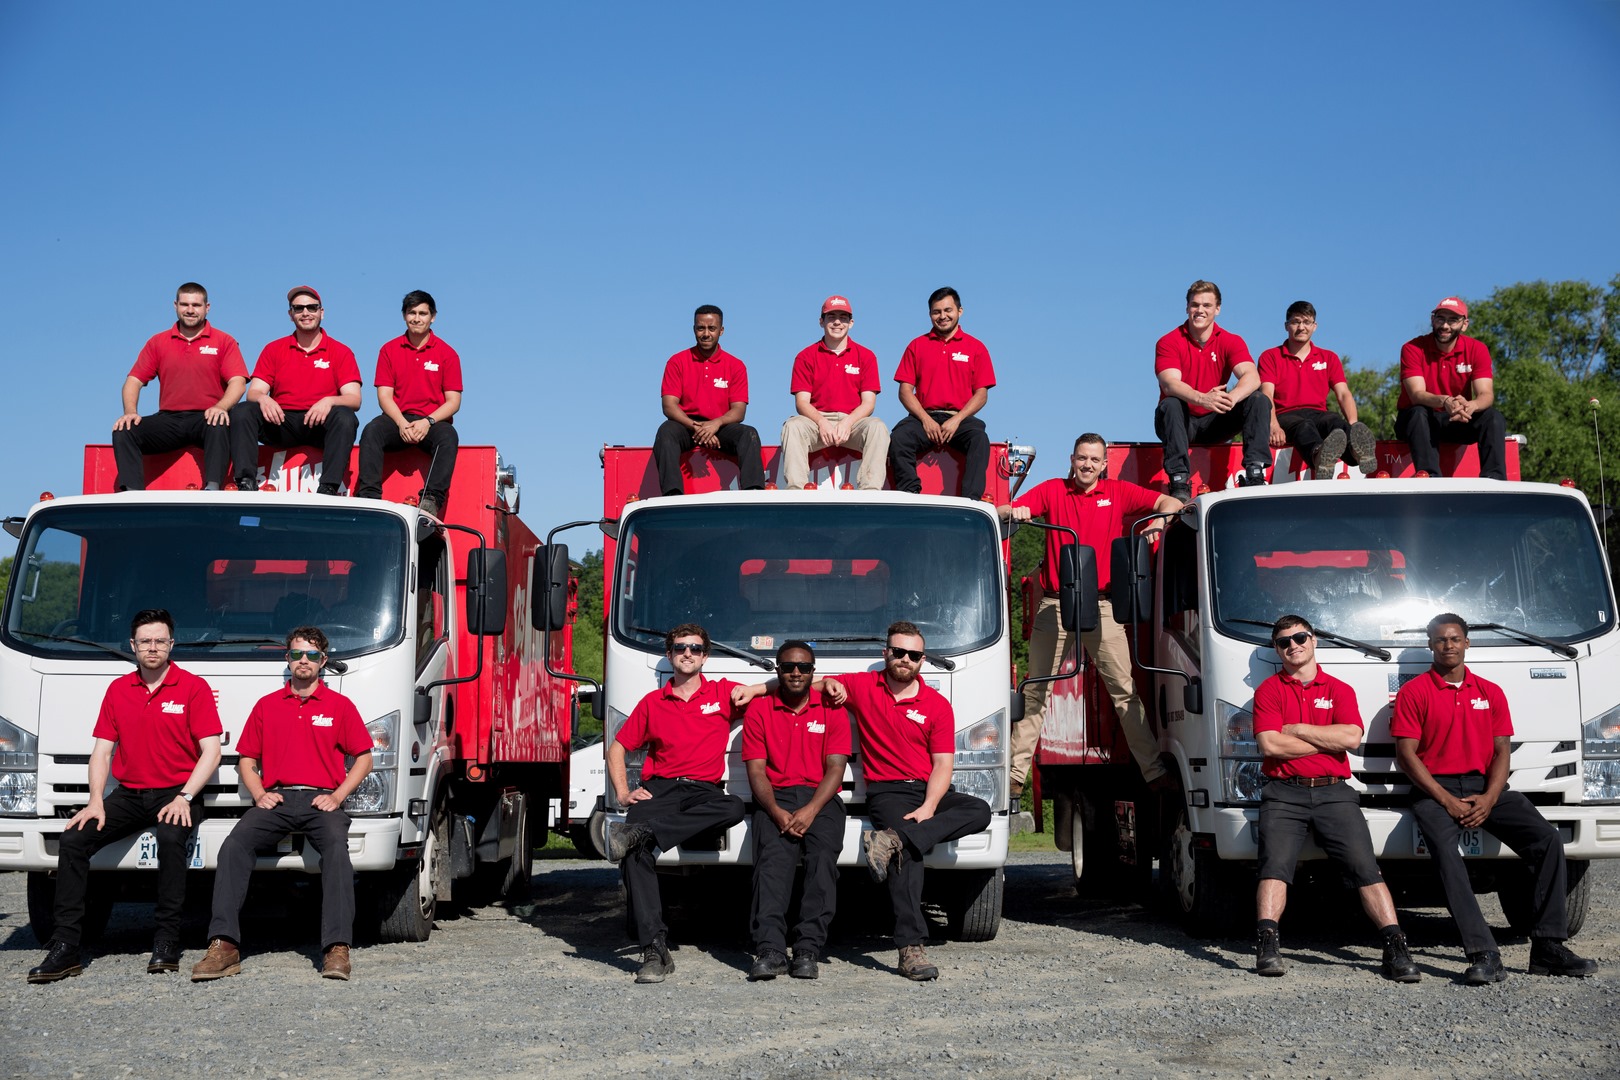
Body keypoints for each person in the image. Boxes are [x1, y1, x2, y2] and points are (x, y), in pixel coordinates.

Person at [1393, 613, 1597, 982]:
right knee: (1446, 854)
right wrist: (1445, 800)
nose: (1448, 645)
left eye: (1455, 639)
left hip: (1484, 786)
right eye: (1440, 640)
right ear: (1430, 645)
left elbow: (1502, 751)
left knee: (1549, 840)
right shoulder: (1414, 692)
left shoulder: (1490, 691)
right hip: (1433, 789)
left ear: (1467, 643)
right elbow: (1406, 755)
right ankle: (1484, 953)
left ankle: (1548, 947)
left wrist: (1489, 797)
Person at [27, 610, 223, 983]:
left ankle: (166, 942)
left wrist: (184, 797)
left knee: (169, 839)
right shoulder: (118, 690)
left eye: (160, 641)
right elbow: (102, 751)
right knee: (73, 839)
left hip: (176, 794)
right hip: (129, 794)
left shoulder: (192, 687)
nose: (153, 648)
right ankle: (66, 947)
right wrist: (96, 800)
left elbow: (211, 752)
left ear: (171, 645)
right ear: (133, 646)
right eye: (145, 641)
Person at [999, 434, 1179, 796]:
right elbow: (1005, 511)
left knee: (1125, 692)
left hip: (1104, 606)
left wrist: (1157, 523)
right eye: (1082, 458)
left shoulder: (1120, 492)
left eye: (1095, 460)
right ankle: (1015, 778)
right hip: (1056, 604)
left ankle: (1154, 774)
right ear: (1072, 458)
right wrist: (1014, 511)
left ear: (1104, 464)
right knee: (1036, 692)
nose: (1087, 466)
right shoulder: (1052, 490)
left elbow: (1171, 502)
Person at [191, 626, 373, 982]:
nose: (302, 661)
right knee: (234, 846)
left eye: (311, 655)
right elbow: (247, 759)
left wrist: (337, 795)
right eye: (295, 654)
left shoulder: (340, 706)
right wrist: (259, 793)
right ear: (286, 659)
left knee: (337, 850)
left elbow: (363, 758)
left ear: (323, 661)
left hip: (322, 799)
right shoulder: (266, 705)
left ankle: (337, 948)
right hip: (277, 798)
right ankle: (224, 946)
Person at [1250, 615, 1420, 982]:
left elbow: (1351, 739)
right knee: (1274, 866)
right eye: (1284, 642)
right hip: (1283, 793)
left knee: (1365, 868)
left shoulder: (1340, 689)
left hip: (1334, 791)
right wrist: (1324, 739)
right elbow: (1269, 744)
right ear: (1277, 650)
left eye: (1300, 637)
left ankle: (1395, 948)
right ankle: (1267, 946)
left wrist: (1296, 729)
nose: (1293, 645)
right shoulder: (1268, 691)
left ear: (1313, 641)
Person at [821, 622, 992, 980]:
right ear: (886, 653)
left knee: (979, 809)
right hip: (888, 791)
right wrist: (828, 682)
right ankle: (910, 949)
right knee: (908, 858)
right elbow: (811, 682)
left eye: (913, 655)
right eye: (898, 652)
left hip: (925, 789)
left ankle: (893, 840)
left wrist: (930, 807)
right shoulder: (865, 686)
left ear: (922, 660)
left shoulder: (936, 704)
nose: (905, 659)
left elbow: (943, 764)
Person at [605, 624, 748, 983]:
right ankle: (654, 950)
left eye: (696, 648)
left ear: (706, 656)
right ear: (669, 655)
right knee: (634, 854)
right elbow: (618, 749)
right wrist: (624, 793)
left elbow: (777, 691)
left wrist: (823, 683)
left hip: (704, 791)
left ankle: (646, 832)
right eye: (681, 648)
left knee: (733, 808)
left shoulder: (723, 693)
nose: (688, 653)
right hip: (661, 790)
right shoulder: (653, 703)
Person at [740, 641, 850, 980]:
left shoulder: (833, 709)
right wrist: (774, 811)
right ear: (778, 671)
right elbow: (756, 771)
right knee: (772, 864)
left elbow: (836, 768)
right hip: (777, 797)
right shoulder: (759, 711)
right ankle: (770, 949)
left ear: (813, 671)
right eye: (788, 667)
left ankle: (807, 949)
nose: (796, 672)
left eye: (803, 667)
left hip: (821, 798)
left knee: (821, 863)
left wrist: (811, 810)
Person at [113, 282, 249, 491]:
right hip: (169, 419)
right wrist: (130, 412)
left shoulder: (224, 341)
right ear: (175, 305)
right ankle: (132, 493)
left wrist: (221, 407)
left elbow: (238, 382)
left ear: (207, 307)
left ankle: (212, 487)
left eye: (196, 305)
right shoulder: (158, 342)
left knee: (219, 423)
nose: (190, 310)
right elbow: (133, 381)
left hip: (206, 418)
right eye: (185, 304)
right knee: (125, 429)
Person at [231, 287, 362, 494]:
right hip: (281, 422)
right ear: (290, 315)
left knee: (345, 416)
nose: (305, 313)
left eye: (312, 307)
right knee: (242, 410)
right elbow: (254, 391)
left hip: (320, 425)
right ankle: (246, 482)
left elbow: (354, 398)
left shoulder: (341, 351)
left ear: (322, 312)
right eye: (298, 308)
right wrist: (264, 399)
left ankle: (329, 487)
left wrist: (329, 401)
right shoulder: (274, 349)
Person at [1154, 280, 1271, 500]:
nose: (1200, 310)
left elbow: (1252, 376)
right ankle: (1179, 480)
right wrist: (1202, 399)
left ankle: (1255, 472)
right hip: (1180, 423)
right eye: (1195, 305)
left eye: (1207, 305)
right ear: (1187, 307)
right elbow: (1169, 383)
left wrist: (1231, 398)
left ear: (1217, 309)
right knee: (1171, 402)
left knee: (1258, 399)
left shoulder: (1231, 341)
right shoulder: (1168, 341)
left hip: (1216, 421)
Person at [355, 290, 463, 519]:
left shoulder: (447, 354)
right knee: (372, 430)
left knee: (449, 436)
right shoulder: (389, 350)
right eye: (411, 312)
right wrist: (402, 423)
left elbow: (453, 402)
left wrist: (428, 421)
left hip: (431, 422)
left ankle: (431, 499)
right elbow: (384, 396)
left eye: (423, 313)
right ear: (404, 315)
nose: (417, 318)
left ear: (433, 316)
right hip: (398, 418)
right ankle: (369, 496)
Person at [889, 287, 997, 501]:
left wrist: (957, 420)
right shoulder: (917, 345)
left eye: (948, 310)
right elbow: (904, 391)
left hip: (960, 419)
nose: (942, 316)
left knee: (980, 440)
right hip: (924, 417)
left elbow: (981, 394)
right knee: (899, 438)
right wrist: (926, 420)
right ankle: (910, 494)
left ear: (960, 311)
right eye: (936, 312)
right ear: (930, 314)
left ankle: (971, 500)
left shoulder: (976, 348)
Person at [779, 296, 891, 490]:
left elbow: (868, 403)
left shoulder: (866, 356)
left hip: (853, 423)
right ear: (821, 321)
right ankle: (796, 490)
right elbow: (802, 402)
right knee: (792, 426)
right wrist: (822, 422)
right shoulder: (806, 356)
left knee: (878, 427)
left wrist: (847, 422)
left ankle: (870, 490)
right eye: (831, 317)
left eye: (843, 317)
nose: (837, 322)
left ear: (851, 322)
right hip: (816, 423)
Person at [1256, 301, 1378, 479]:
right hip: (1286, 416)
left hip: (1318, 413)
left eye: (1306, 322)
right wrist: (1273, 425)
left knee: (1334, 421)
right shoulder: (1270, 356)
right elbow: (1267, 394)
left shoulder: (1329, 357)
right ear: (1286, 326)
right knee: (1304, 426)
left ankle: (1358, 451)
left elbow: (1343, 394)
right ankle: (1320, 457)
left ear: (1314, 326)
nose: (1301, 327)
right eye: (1296, 322)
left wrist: (1353, 425)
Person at [653, 305, 765, 496]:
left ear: (721, 331)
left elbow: (738, 411)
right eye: (700, 328)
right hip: (686, 425)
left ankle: (753, 493)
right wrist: (696, 427)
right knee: (665, 431)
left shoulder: (735, 365)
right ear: (694, 329)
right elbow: (669, 406)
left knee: (749, 434)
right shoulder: (677, 361)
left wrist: (715, 424)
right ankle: (672, 494)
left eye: (711, 328)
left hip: (720, 426)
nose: (706, 334)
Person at [1394, 297, 1507, 480]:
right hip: (1419, 422)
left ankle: (1494, 479)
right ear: (1432, 320)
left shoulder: (1477, 349)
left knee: (1493, 417)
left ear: (1464, 324)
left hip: (1456, 418)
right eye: (1440, 318)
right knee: (1417, 412)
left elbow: (1486, 394)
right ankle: (1429, 476)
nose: (1445, 326)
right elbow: (1416, 395)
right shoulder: (1412, 348)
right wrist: (1445, 400)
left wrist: (1471, 406)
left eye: (1452, 320)